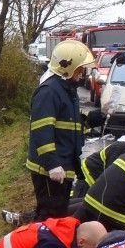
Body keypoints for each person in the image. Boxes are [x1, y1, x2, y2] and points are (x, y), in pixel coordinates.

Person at [23, 39, 94, 220]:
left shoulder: (67, 89)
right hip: (48, 169)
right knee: (49, 214)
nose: (82, 72)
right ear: (67, 67)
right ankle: (41, 245)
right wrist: (52, 164)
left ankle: (49, 243)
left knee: (58, 212)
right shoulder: (49, 91)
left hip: (63, 165)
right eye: (79, 68)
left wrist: (95, 117)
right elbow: (41, 130)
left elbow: (70, 124)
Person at [71, 128, 125, 200]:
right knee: (82, 204)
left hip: (100, 177)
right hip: (89, 176)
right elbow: (112, 175)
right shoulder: (120, 148)